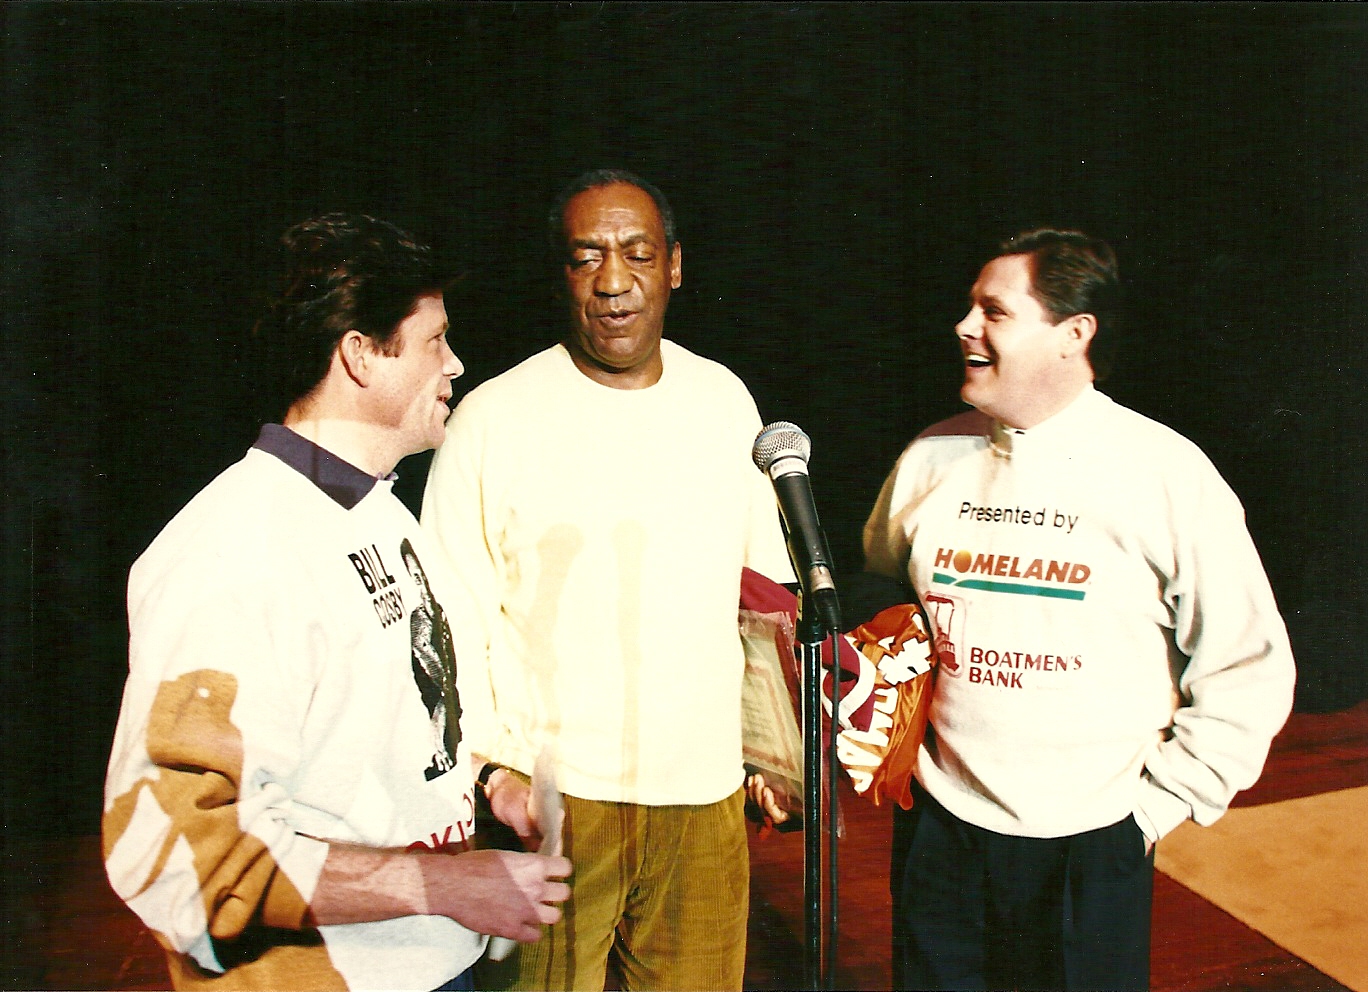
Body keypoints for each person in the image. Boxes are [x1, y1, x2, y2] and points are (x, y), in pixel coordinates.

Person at [102, 213, 571, 992]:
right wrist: (447, 886)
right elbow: (173, 851)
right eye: (433, 341)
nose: (455, 364)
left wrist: (489, 783)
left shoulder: (380, 513)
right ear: (359, 353)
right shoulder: (233, 550)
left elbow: (382, 730)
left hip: (434, 964)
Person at [863, 229, 1296, 992]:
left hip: (1093, 842)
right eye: (969, 307)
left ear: (1073, 333)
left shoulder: (1164, 472)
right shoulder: (929, 460)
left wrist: (1158, 808)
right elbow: (882, 604)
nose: (965, 327)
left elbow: (1249, 664)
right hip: (942, 833)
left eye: (993, 311)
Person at [420, 170, 794, 990]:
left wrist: (772, 753)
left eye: (636, 254)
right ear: (562, 273)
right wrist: (493, 772)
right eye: (588, 257)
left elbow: (761, 594)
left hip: (703, 799)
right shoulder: (493, 416)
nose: (614, 282)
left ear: (675, 266)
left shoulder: (724, 398)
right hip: (557, 808)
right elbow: (451, 616)